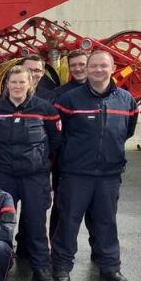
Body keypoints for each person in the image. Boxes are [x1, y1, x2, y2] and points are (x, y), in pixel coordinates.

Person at [51, 50, 138, 281]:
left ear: (112, 69)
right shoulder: (69, 100)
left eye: (103, 66)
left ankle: (110, 267)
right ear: (87, 70)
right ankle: (61, 266)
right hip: (76, 173)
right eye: (94, 66)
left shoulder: (126, 100)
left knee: (106, 222)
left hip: (109, 174)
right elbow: (58, 134)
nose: (98, 70)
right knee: (68, 221)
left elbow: (127, 131)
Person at [0, 65, 61, 281]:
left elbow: (55, 140)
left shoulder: (45, 109)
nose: (17, 86)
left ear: (31, 84)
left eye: (22, 82)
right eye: (13, 82)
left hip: (34, 177)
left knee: (36, 224)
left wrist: (41, 161)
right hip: (4, 176)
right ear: (7, 84)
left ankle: (42, 268)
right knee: (3, 224)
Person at [50, 50, 90, 239]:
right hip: (67, 164)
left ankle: (99, 253)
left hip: (98, 165)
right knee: (62, 208)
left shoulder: (108, 91)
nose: (77, 69)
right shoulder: (60, 95)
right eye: (73, 65)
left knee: (98, 213)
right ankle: (55, 251)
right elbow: (55, 130)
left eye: (81, 64)